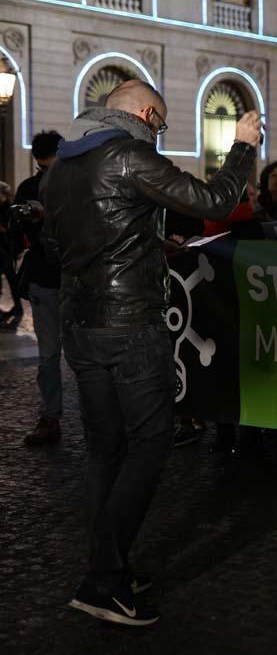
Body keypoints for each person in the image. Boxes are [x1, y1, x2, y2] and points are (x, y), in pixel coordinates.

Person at [41, 79, 260, 626]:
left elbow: (69, 244)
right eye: (159, 125)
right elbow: (214, 201)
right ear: (144, 114)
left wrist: (147, 243)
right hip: (130, 324)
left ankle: (108, 565)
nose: (159, 136)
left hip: (80, 324)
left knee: (104, 449)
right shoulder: (127, 153)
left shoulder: (58, 169)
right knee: (151, 441)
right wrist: (243, 146)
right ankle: (103, 581)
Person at [17, 131, 66, 445]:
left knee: (73, 355)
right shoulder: (31, 188)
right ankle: (51, 417)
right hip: (52, 279)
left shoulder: (73, 185)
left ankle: (91, 421)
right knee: (50, 355)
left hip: (69, 280)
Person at [0, 180, 23, 329]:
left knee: (12, 280)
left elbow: (13, 230)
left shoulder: (10, 208)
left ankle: (18, 308)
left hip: (7, 250)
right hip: (1, 249)